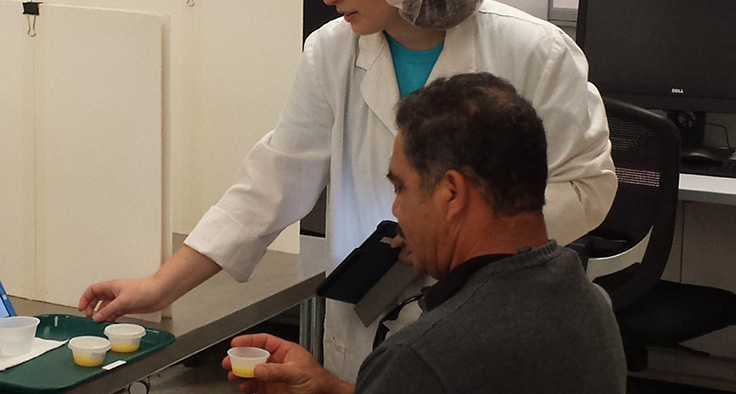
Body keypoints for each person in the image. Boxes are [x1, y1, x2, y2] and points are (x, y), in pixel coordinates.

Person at [79, 0, 617, 380]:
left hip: (491, 316)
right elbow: (272, 182)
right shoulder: (332, 52)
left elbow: (590, 188)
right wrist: (159, 286)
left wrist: (454, 235)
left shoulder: (534, 51)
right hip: (368, 322)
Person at [221, 73, 627, 394]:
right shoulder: (590, 306)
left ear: (452, 193)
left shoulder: (422, 357)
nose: (395, 208)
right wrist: (330, 388)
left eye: (401, 188)